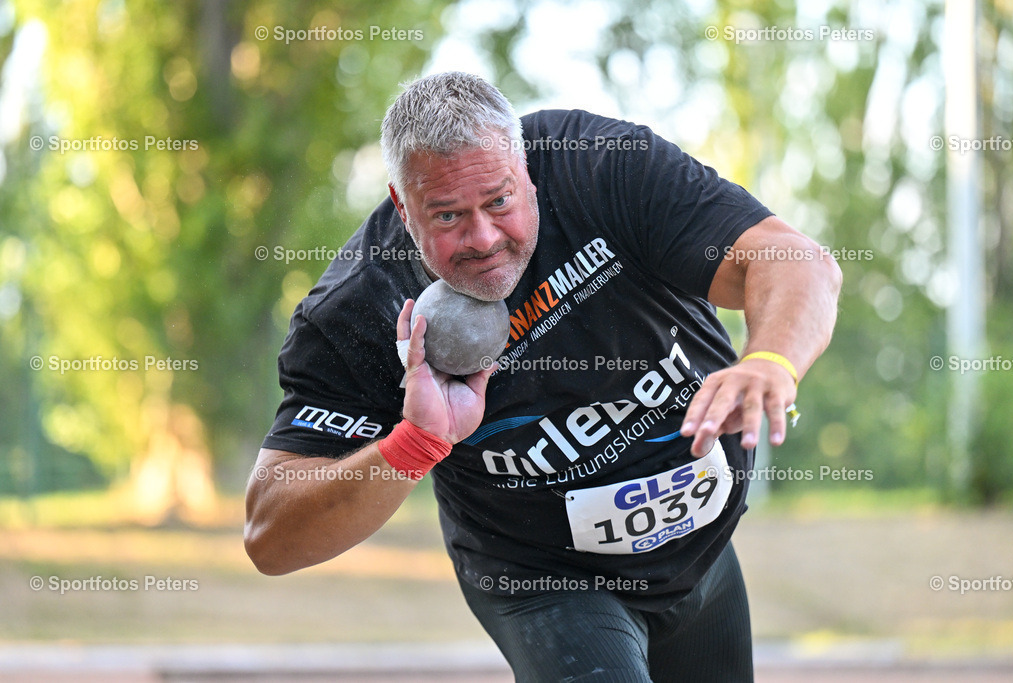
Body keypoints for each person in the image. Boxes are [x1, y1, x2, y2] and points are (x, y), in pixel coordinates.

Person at [244, 71, 842, 682]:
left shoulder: (598, 166)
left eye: (499, 201)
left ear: (527, 166)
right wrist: (415, 445)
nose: (482, 239)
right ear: (402, 203)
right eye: (447, 216)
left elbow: (796, 261)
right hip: (547, 583)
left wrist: (770, 361)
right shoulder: (362, 306)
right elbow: (271, 536)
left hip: (704, 552)